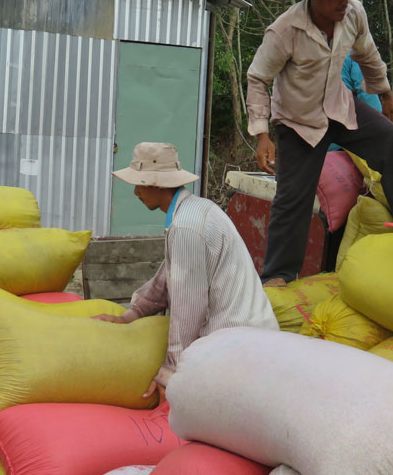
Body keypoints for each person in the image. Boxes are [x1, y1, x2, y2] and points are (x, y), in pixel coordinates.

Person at [246, 0, 393, 286]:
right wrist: (262, 134)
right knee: (293, 197)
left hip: (340, 107)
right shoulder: (284, 31)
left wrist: (384, 93)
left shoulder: (353, 14)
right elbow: (258, 79)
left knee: (389, 139)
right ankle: (278, 276)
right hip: (299, 122)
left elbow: (367, 53)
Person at [95, 142, 278, 398]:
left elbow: (188, 308)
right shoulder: (194, 211)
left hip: (239, 343)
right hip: (248, 337)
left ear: (156, 184)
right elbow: (168, 278)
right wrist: (132, 315)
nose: (136, 192)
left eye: (139, 183)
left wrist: (171, 370)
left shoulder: (186, 227)